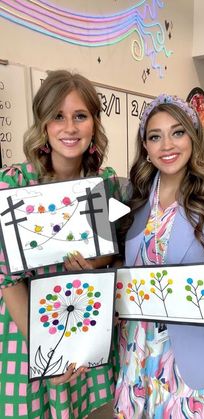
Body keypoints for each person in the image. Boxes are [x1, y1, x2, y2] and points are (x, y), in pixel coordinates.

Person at [0, 70, 120, 418]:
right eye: (58, 116)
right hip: (28, 331)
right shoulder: (14, 184)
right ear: (44, 125)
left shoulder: (103, 184)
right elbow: (6, 280)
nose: (69, 127)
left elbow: (108, 252)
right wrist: (47, 351)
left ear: (94, 124)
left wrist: (92, 264)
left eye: (80, 116)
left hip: (80, 321)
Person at [114, 93, 204, 418]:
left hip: (191, 357)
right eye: (155, 136)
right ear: (146, 147)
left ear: (193, 136)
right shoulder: (134, 196)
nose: (167, 145)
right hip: (138, 350)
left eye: (178, 132)